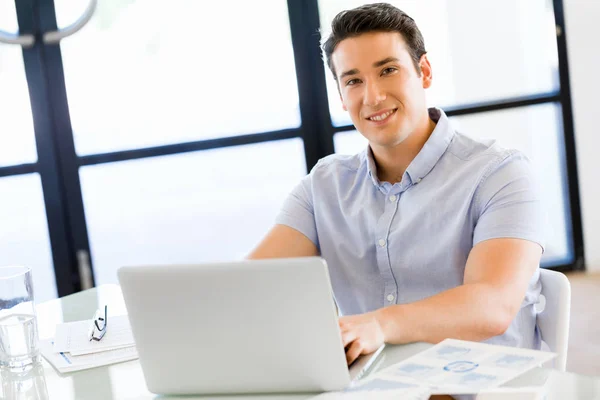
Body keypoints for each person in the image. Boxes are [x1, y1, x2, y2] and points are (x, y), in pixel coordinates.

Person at [248, 2, 545, 366]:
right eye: (353, 80)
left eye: (388, 70)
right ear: (341, 96)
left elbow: (492, 305)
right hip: (374, 387)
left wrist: (379, 324)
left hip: (481, 386)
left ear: (424, 71)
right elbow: (250, 286)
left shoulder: (501, 174)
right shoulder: (323, 187)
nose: (372, 96)